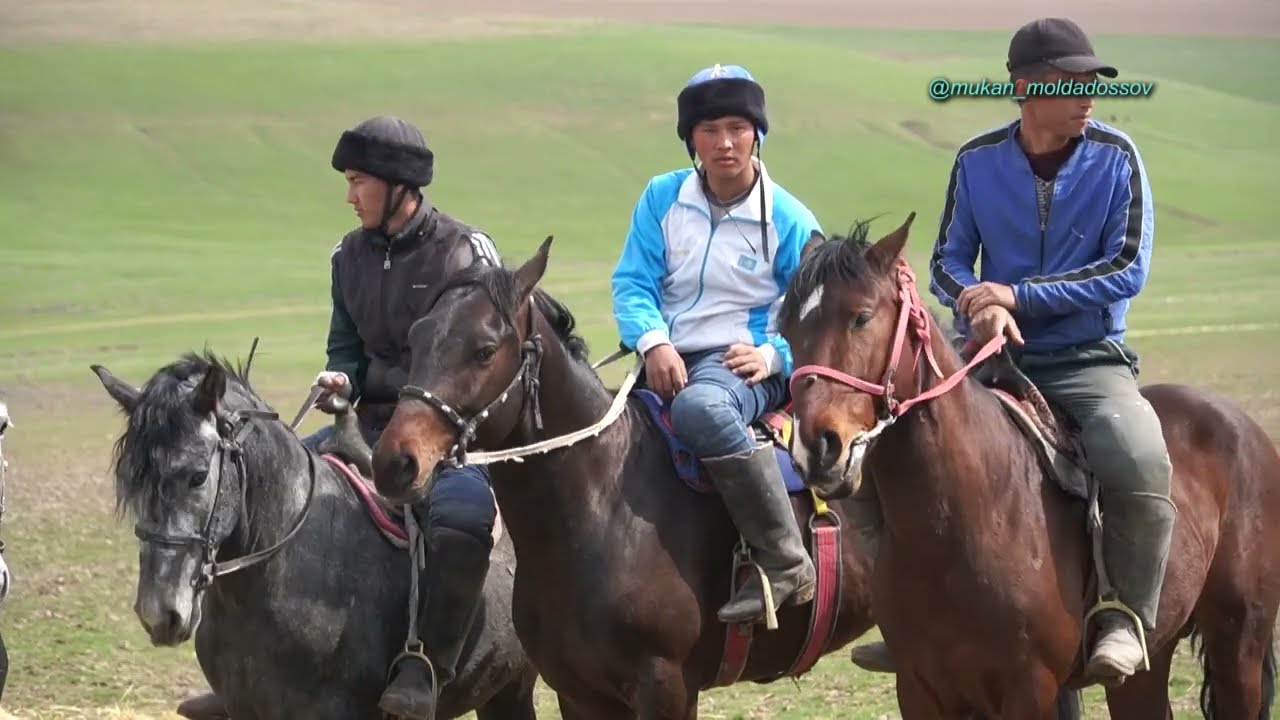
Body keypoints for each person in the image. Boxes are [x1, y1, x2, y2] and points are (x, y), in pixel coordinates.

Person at [848, 17, 1176, 686]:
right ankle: (903, 615)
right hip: (989, 357)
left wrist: (1015, 296)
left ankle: (1124, 617)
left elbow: (1126, 266)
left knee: (1138, 456)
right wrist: (979, 302)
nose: (1088, 94)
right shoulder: (976, 161)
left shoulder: (1117, 158)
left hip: (1087, 358)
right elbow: (944, 261)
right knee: (878, 462)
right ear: (1026, 88)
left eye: (1092, 82)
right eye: (1071, 82)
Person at [176, 116, 502, 720]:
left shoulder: (465, 251)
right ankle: (246, 671)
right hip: (366, 425)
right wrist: (341, 378)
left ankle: (424, 665)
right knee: (264, 489)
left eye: (358, 181)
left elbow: (483, 355)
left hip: (448, 434)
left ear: (400, 185)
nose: (349, 196)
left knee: (462, 514)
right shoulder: (346, 255)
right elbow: (345, 346)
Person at [611, 64, 824, 625]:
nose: (724, 143)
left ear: (758, 132)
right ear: (691, 140)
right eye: (708, 130)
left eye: (737, 126)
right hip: (665, 357)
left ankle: (784, 558)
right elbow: (633, 282)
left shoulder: (789, 219)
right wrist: (654, 342)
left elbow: (819, 315)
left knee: (701, 409)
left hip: (744, 362)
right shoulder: (661, 198)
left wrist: (775, 355)